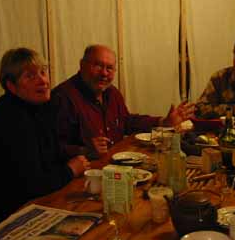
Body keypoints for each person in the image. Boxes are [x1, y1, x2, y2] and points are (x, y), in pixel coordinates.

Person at [0, 47, 91, 240]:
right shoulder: (13, 118)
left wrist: (78, 155)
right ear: (11, 86)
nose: (42, 80)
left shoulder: (39, 108)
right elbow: (34, 184)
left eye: (43, 72)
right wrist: (71, 169)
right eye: (30, 76)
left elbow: (48, 155)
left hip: (17, 208)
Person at [53, 44, 195, 159]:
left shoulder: (112, 93)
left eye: (109, 68)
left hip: (116, 166)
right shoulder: (63, 97)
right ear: (82, 65)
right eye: (98, 65)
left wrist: (163, 122)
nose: (104, 73)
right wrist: (84, 150)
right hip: (84, 176)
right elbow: (51, 147)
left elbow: (127, 122)